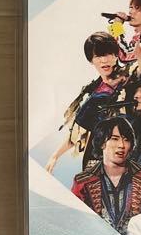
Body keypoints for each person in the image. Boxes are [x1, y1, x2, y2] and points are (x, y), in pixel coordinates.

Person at [46, 32, 129, 173]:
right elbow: (80, 130)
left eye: (108, 54)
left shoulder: (128, 78)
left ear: (116, 55)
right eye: (98, 56)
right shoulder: (93, 91)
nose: (104, 60)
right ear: (91, 60)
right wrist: (55, 156)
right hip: (96, 157)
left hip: (126, 153)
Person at [71, 116, 141, 235]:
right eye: (114, 139)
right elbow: (75, 223)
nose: (122, 145)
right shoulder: (83, 182)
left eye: (126, 140)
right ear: (102, 143)